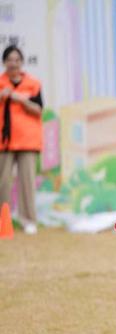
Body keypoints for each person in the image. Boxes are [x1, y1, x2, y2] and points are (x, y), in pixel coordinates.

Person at [0, 45, 44, 235]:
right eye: (10, 59)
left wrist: (20, 99)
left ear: (22, 62)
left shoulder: (33, 84)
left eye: (17, 59)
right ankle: (3, 221)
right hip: (4, 141)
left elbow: (38, 109)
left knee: (27, 182)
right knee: (3, 183)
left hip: (28, 140)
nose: (13, 63)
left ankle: (29, 220)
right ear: (4, 62)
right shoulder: (0, 83)